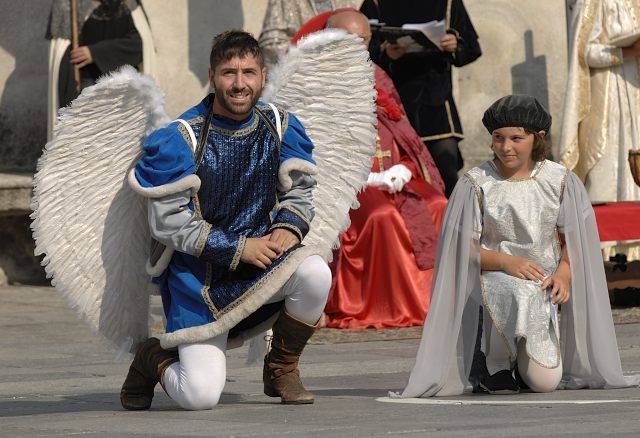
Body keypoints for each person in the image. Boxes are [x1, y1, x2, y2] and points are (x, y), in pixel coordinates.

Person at [119, 30, 332, 411]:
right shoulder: (180, 138)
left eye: (248, 72)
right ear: (212, 76)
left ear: (263, 76)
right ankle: (152, 356)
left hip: (262, 265)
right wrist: (238, 248)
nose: (239, 84)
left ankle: (282, 367)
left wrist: (287, 226)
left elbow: (300, 193)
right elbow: (168, 223)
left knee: (316, 271)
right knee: (198, 397)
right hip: (199, 283)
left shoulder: (280, 126)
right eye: (229, 73)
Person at [396, 95, 639, 398]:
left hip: (542, 286)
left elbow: (575, 242)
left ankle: (522, 358)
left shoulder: (559, 180)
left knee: (544, 383)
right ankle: (493, 360)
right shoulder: (476, 183)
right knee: (516, 289)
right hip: (493, 280)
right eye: (498, 138)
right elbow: (459, 250)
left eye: (516, 138)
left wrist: (564, 272)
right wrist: (506, 262)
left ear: (537, 138)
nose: (505, 147)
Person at [291, 9, 448, 328]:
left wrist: (404, 167)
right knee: (382, 216)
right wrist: (367, 177)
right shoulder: (312, 79)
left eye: (363, 40)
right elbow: (313, 145)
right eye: (347, 39)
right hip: (342, 182)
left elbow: (402, 129)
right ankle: (385, 307)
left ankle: (433, 302)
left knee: (436, 204)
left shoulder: (377, 74)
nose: (356, 47)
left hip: (389, 170)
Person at [360, 0, 481, 197]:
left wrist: (454, 44)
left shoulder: (448, 2)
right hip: (390, 102)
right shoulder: (375, 3)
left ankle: (450, 226)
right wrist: (385, 52)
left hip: (435, 101)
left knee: (446, 173)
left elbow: (472, 48)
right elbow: (357, 47)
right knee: (397, 181)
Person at [558, 0, 640, 260]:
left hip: (635, 91)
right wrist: (628, 52)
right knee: (606, 167)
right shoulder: (590, 2)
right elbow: (584, 52)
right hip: (606, 97)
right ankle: (607, 254)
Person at [46, 0, 155, 140]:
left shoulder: (128, 4)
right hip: (85, 86)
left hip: (122, 89)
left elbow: (139, 45)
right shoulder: (67, 5)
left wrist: (95, 53)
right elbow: (63, 53)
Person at [259, 0, 360, 70]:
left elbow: (358, 33)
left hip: (342, 69)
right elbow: (271, 42)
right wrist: (306, 57)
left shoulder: (345, 2)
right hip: (301, 73)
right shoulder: (285, 2)